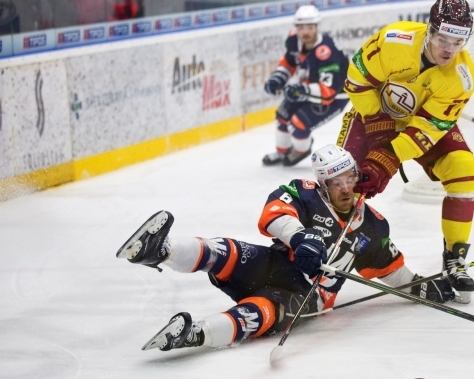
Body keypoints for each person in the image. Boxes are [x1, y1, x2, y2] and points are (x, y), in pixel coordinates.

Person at [116, 145, 455, 352]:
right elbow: (274, 212)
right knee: (226, 250)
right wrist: (299, 237)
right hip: (276, 265)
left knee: (257, 314)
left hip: (308, 298)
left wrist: (424, 287)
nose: (345, 188)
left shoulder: (374, 226)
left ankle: (194, 336)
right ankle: (159, 251)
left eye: (349, 179)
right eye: (336, 183)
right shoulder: (304, 192)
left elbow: (394, 272)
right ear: (322, 184)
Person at [337, 0, 474, 303]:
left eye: (458, 42)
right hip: (372, 114)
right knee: (343, 186)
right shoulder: (394, 40)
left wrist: (388, 156)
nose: (449, 49)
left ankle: (455, 258)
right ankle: (320, 256)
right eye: (443, 39)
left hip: (418, 124)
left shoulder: (462, 78)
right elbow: (355, 82)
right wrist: (377, 130)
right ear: (430, 30)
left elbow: (428, 129)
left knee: (464, 173)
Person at [262, 5, 350, 167]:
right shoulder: (294, 40)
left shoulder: (326, 51)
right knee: (283, 114)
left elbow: (328, 91)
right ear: (296, 28)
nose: (306, 32)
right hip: (311, 87)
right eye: (301, 28)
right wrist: (277, 79)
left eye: (310, 27)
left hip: (336, 95)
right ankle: (282, 152)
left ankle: (302, 150)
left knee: (298, 123)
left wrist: (303, 90)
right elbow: (289, 63)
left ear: (317, 27)